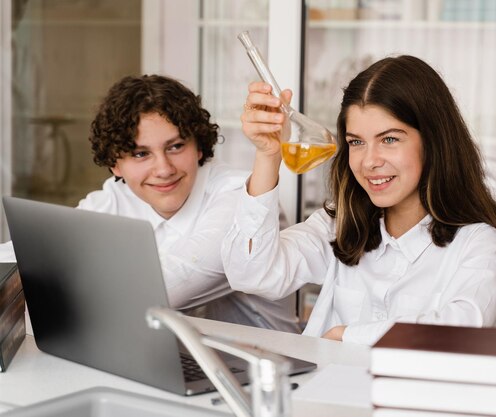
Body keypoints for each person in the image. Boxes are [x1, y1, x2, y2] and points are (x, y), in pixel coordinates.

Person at [221, 55, 496, 345]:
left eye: (389, 139)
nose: (369, 162)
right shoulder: (338, 225)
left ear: (433, 141)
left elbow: (465, 326)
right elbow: (251, 274)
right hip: (320, 391)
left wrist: (347, 336)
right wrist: (268, 156)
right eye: (356, 142)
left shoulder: (477, 240)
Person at [0, 74, 299, 333]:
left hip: (262, 372)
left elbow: (159, 291)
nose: (164, 169)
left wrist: (54, 278)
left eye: (176, 146)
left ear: (199, 147)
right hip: (172, 357)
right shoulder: (119, 197)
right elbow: (24, 255)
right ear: (115, 164)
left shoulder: (240, 198)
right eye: (141, 154)